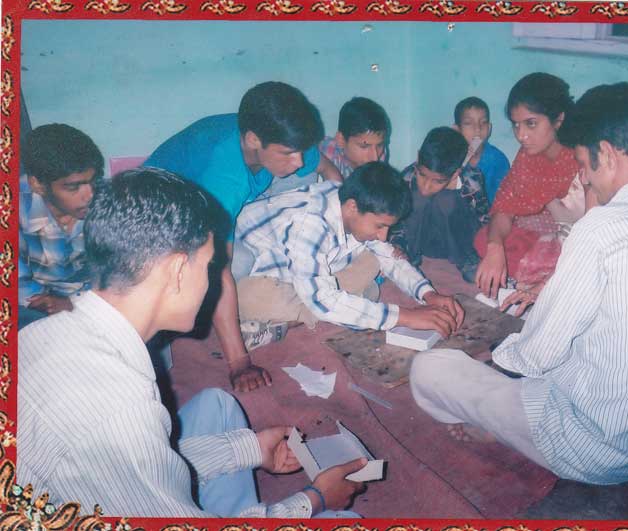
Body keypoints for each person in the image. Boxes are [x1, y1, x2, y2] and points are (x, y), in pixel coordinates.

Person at [410, 82, 628, 485]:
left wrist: (490, 355)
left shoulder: (602, 227)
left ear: (606, 154)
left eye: (584, 165)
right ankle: (508, 417)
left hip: (595, 448)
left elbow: (534, 357)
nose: (585, 177)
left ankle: (504, 423)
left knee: (430, 368)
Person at [18, 168, 367, 518]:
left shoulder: (43, 333)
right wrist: (314, 499)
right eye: (209, 266)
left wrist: (250, 448)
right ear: (177, 271)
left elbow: (137, 465)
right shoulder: (123, 411)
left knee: (218, 405)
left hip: (89, 484)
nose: (212, 281)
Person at [146, 82, 343, 391]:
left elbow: (325, 168)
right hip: (163, 220)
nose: (298, 161)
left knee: (302, 180)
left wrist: (341, 215)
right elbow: (217, 268)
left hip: (220, 200)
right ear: (253, 140)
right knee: (236, 264)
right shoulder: (224, 177)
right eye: (288, 153)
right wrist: (239, 363)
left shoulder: (275, 137)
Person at [235, 161, 464, 338]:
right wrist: (405, 317)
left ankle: (315, 308)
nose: (384, 235)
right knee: (253, 299)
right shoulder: (310, 223)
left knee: (374, 260)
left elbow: (388, 256)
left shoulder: (351, 203)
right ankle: (321, 306)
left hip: (310, 269)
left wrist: (427, 294)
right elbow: (322, 300)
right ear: (352, 207)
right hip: (259, 271)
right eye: (380, 226)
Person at [474, 73, 585, 299]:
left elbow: (592, 227)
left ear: (558, 119)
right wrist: (495, 248)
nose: (521, 135)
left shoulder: (583, 155)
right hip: (545, 227)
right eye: (516, 125)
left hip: (578, 236)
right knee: (486, 238)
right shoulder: (528, 156)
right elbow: (504, 207)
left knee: (552, 261)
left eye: (531, 123)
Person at [18, 123, 103, 329]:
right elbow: (16, 283)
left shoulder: (106, 203)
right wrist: (54, 305)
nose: (90, 195)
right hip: (35, 306)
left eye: (93, 181)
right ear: (38, 185)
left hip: (93, 301)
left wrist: (73, 304)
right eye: (73, 187)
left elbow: (119, 274)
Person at [389, 127, 488, 282]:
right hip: (424, 242)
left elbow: (484, 218)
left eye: (438, 181)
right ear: (417, 159)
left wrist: (486, 254)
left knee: (445, 200)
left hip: (460, 243)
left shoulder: (472, 181)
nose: (426, 186)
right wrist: (399, 245)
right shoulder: (407, 178)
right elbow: (396, 220)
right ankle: (410, 257)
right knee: (417, 198)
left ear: (455, 174)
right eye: (422, 175)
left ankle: (468, 261)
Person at [453, 96, 510, 205]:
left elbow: (501, 203)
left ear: (489, 128)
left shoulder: (497, 161)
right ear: (457, 130)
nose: (478, 129)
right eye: (469, 123)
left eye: (483, 122)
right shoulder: (451, 158)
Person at [319, 96, 389, 179]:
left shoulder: (381, 155)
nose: (374, 157)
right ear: (341, 140)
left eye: (379, 145)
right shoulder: (327, 152)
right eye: (364, 146)